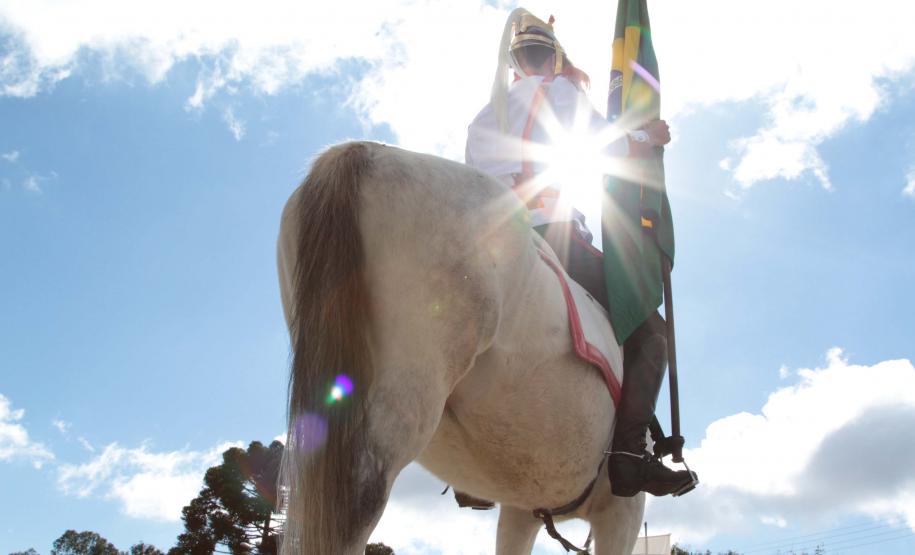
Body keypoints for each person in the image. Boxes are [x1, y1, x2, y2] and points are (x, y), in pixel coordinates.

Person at [464, 8, 695, 498]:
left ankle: (473, 477)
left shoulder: (487, 113)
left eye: (536, 53)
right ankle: (631, 456)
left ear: (516, 64)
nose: (536, 61)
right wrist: (647, 137)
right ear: (549, 60)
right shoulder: (561, 92)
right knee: (651, 333)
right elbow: (600, 145)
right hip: (554, 237)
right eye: (537, 53)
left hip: (494, 244)